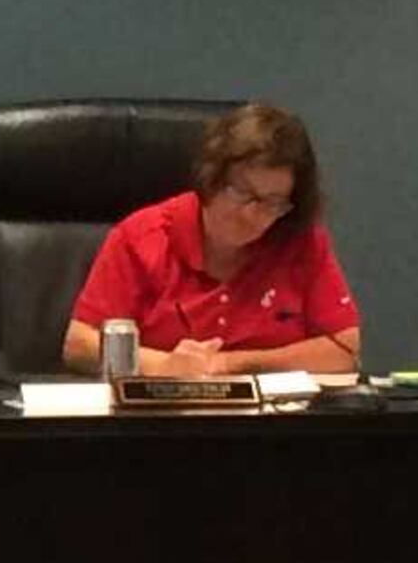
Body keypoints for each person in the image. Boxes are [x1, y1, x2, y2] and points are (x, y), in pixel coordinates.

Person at [63, 103, 363, 376]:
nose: (251, 215)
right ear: (210, 179)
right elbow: (79, 345)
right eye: (242, 194)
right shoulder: (140, 237)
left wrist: (231, 364)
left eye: (272, 203)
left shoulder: (300, 241)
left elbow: (344, 349)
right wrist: (163, 366)